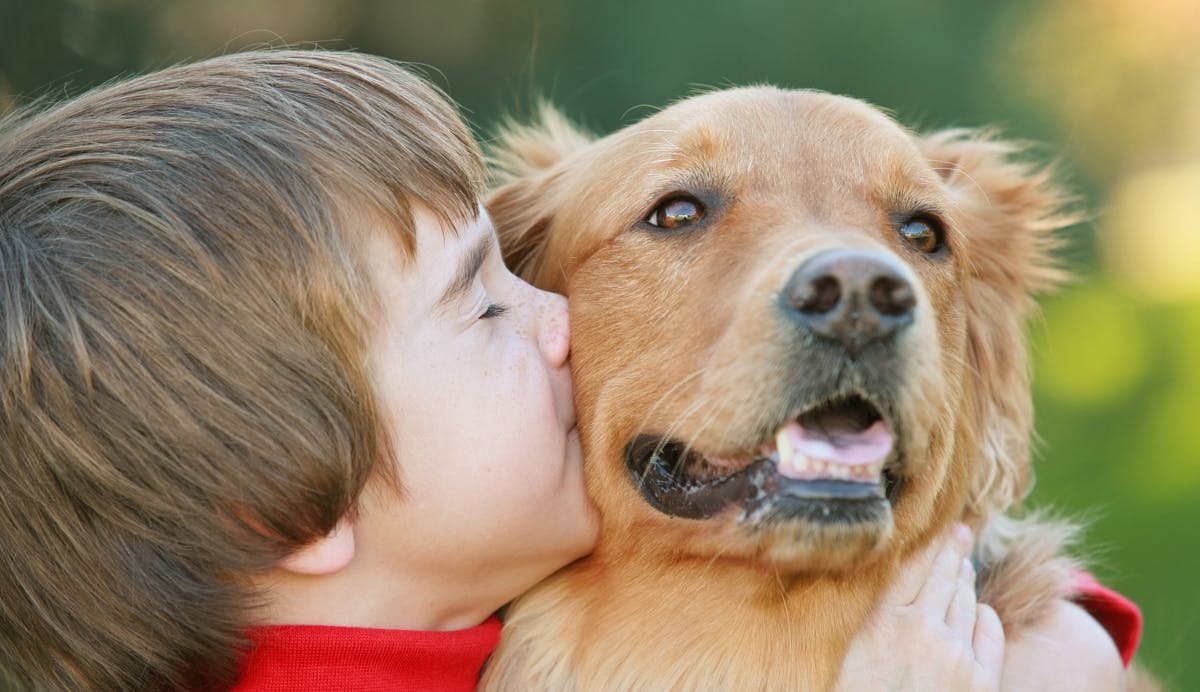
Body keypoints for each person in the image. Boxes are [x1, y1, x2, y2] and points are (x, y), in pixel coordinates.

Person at [0, 49, 1135, 691]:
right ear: (295, 488)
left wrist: (1061, 634)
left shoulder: (441, 588)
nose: (858, 280)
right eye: (486, 298)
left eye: (918, 240)